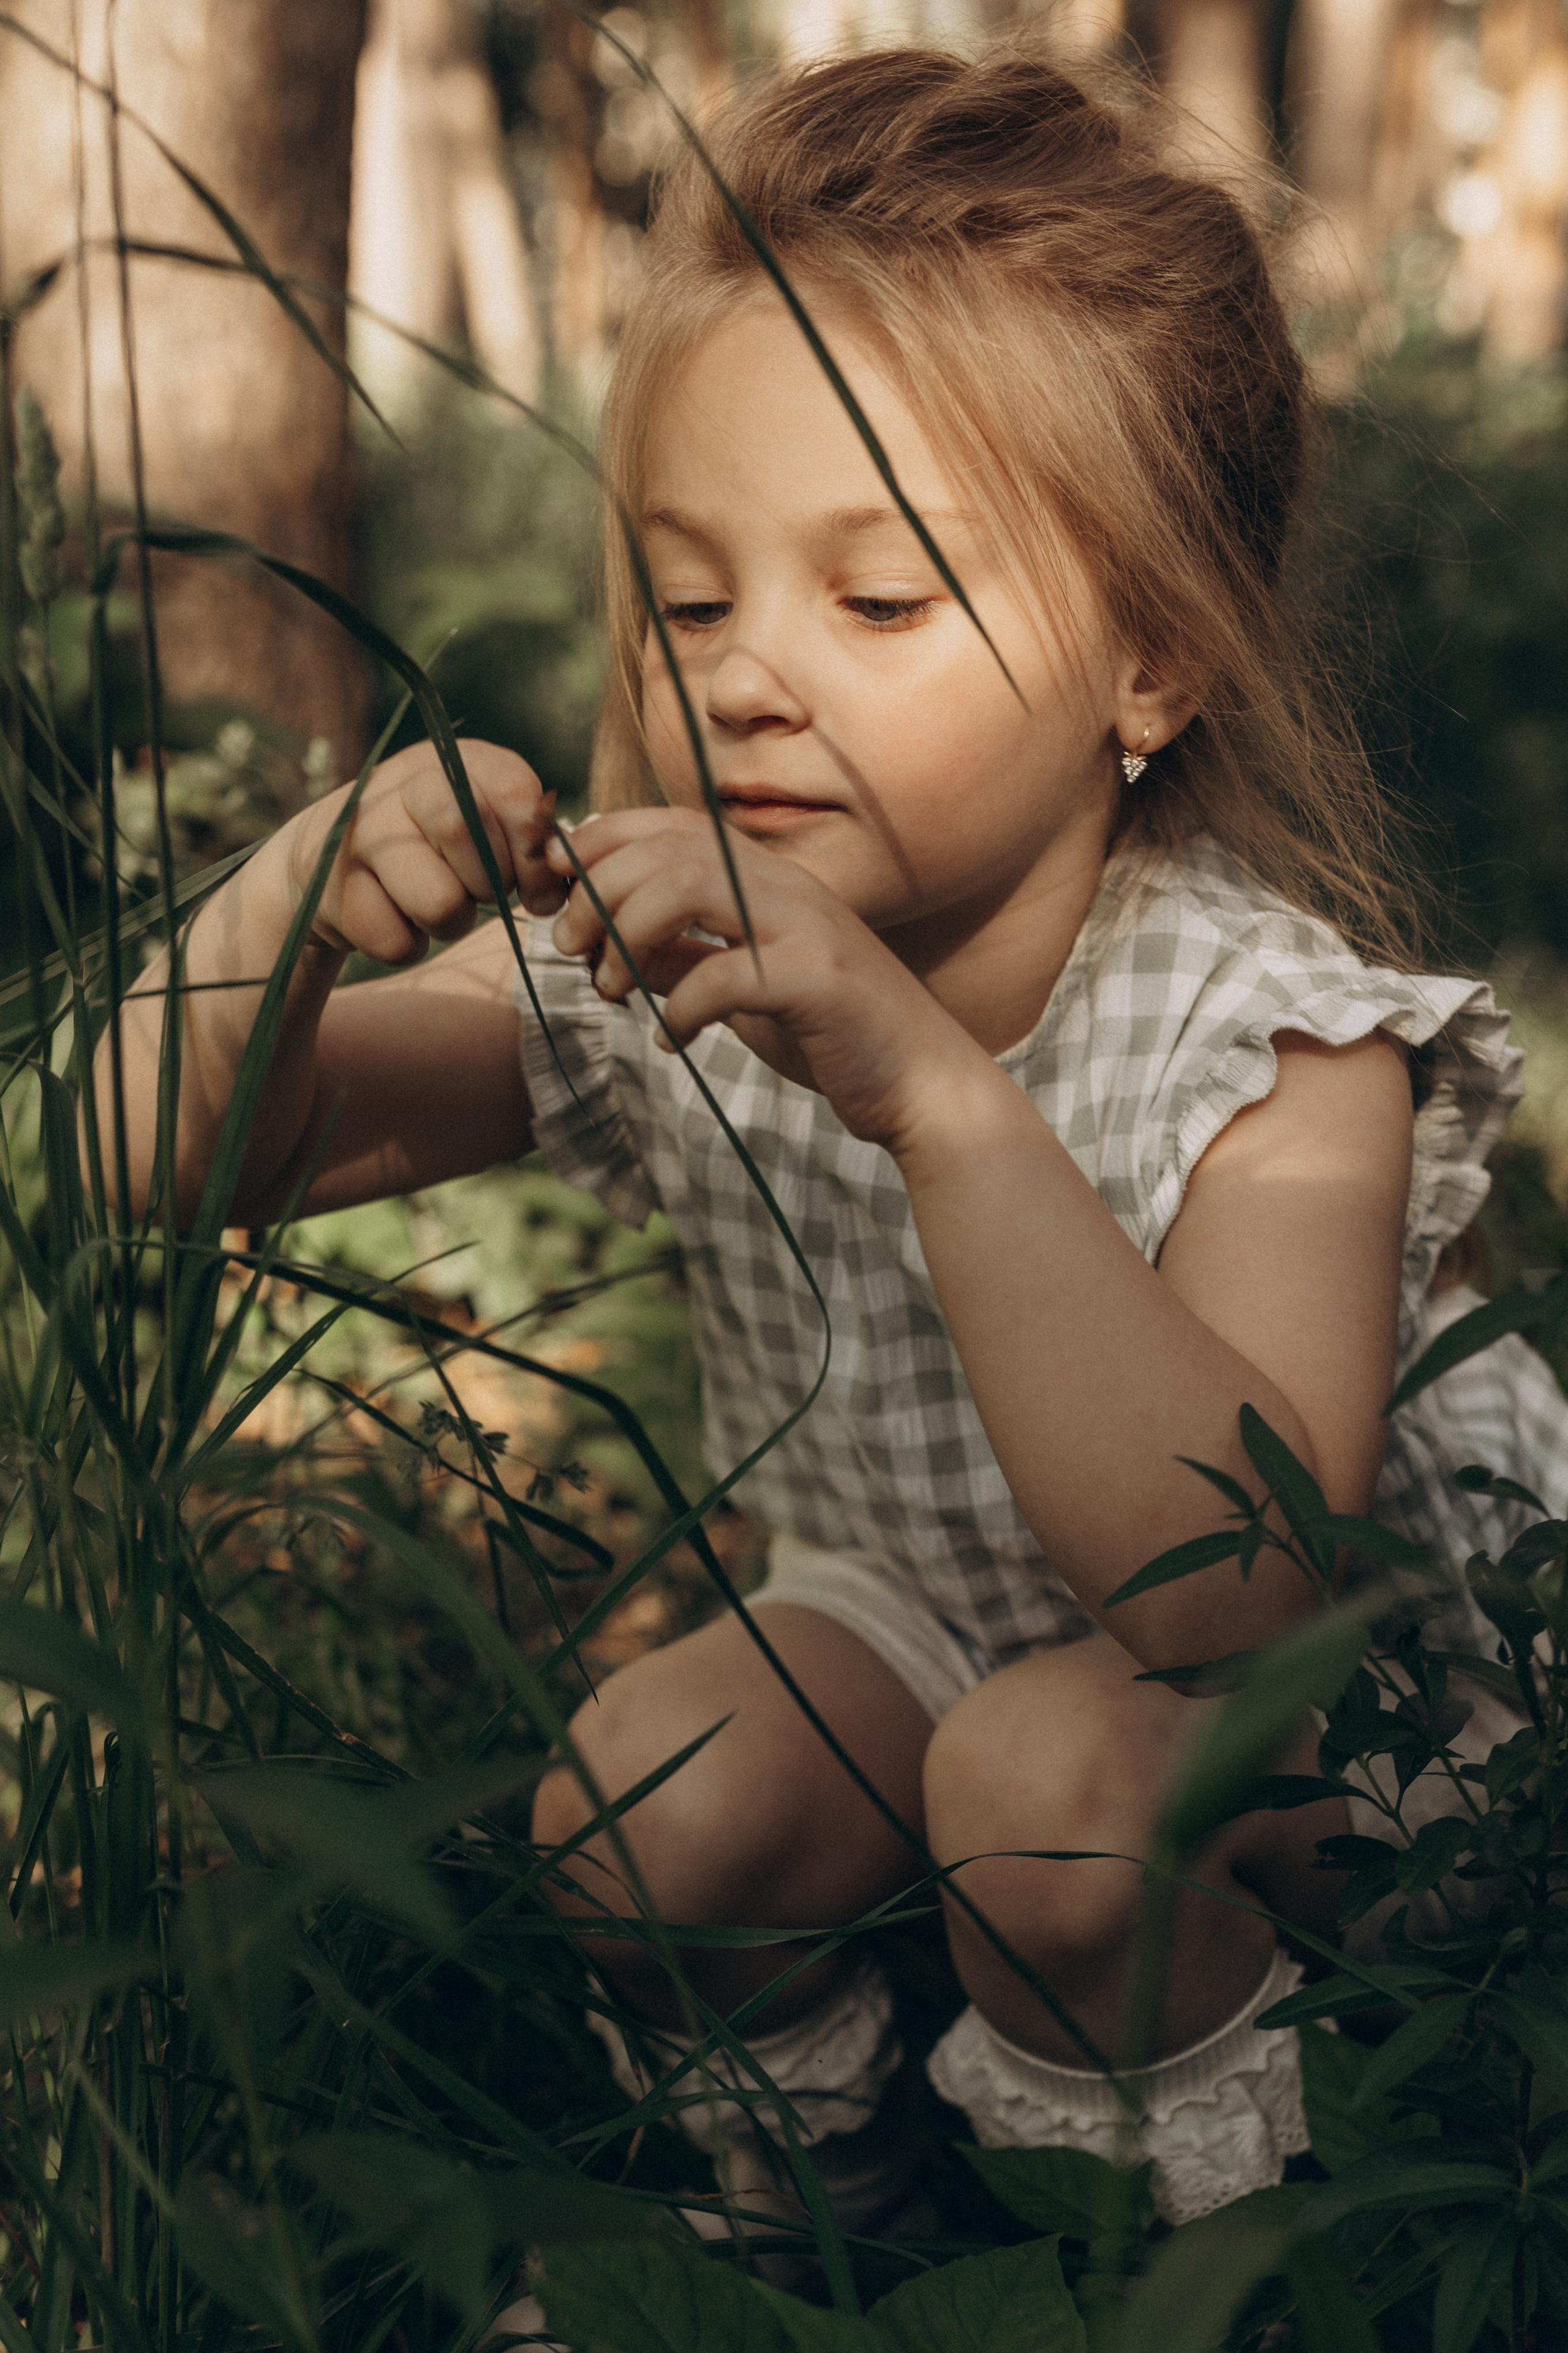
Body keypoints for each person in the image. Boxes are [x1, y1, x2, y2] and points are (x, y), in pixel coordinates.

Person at [105, 47, 1540, 2252]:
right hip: (934, 1629)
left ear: (1150, 658)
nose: (749, 678)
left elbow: (1232, 1584)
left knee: (1047, 1792)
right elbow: (158, 1162)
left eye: (875, 604)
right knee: (654, 1795)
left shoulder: (1268, 1045)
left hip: (1340, 1741)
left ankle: (1207, 2267)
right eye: (692, 600)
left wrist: (932, 1095)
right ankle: (835, 2238)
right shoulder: (676, 959)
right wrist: (268, 931)